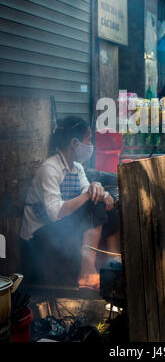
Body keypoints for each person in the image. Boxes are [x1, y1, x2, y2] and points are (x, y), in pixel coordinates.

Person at [19, 116, 120, 290]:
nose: (90, 145)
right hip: (39, 231)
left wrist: (99, 190)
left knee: (111, 210)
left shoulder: (77, 167)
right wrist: (90, 194)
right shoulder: (50, 169)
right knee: (94, 206)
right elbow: (55, 212)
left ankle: (114, 264)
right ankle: (86, 272)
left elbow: (88, 192)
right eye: (88, 139)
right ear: (74, 143)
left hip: (61, 225)